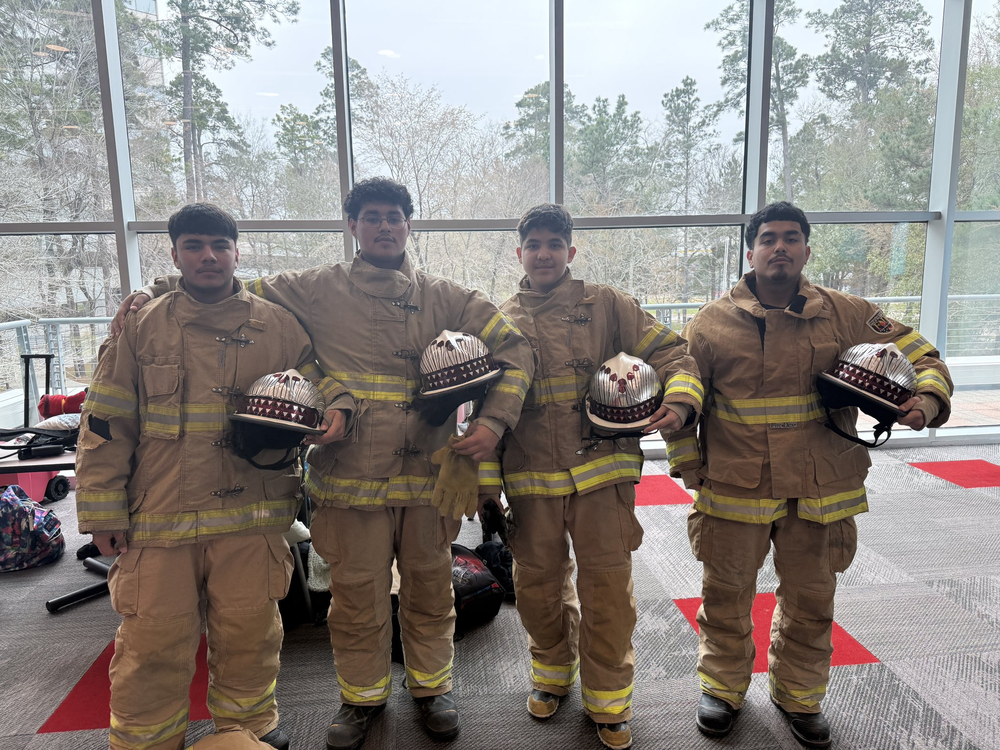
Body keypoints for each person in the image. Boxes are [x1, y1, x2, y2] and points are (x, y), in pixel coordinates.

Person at [111, 178, 535, 750]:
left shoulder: (448, 297)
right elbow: (230, 287)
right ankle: (361, 698)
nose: (385, 225)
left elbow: (515, 350)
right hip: (348, 480)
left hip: (427, 482)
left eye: (394, 216)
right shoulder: (314, 288)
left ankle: (433, 689)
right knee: (356, 596)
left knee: (432, 590)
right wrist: (154, 291)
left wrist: (492, 423)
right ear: (353, 226)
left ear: (409, 225)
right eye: (371, 217)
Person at [665, 201, 953, 748]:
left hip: (822, 486)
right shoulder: (710, 322)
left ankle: (799, 695)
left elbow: (924, 356)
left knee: (812, 598)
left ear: (806, 250)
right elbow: (681, 391)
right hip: (735, 486)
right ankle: (722, 689)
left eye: (791, 238)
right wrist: (687, 461)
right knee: (725, 593)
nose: (780, 247)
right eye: (769, 238)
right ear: (750, 252)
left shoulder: (849, 313)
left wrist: (927, 402)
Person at [77, 203, 338, 750]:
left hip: (253, 514)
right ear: (174, 255)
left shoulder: (280, 327)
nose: (209, 256)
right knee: (153, 638)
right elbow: (104, 420)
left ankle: (249, 726)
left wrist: (336, 412)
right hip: (158, 515)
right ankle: (147, 738)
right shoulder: (141, 326)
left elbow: (323, 385)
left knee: (249, 632)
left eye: (220, 245)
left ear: (237, 252)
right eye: (194, 246)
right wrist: (101, 510)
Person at [479, 204, 703, 750]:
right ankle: (552, 673)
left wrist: (679, 400)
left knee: (607, 591)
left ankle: (608, 698)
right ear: (520, 254)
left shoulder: (607, 305)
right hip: (530, 479)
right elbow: (486, 407)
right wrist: (486, 480)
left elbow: (674, 351)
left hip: (604, 476)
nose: (545, 253)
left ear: (571, 251)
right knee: (536, 589)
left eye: (555, 244)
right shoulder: (499, 319)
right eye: (534, 244)